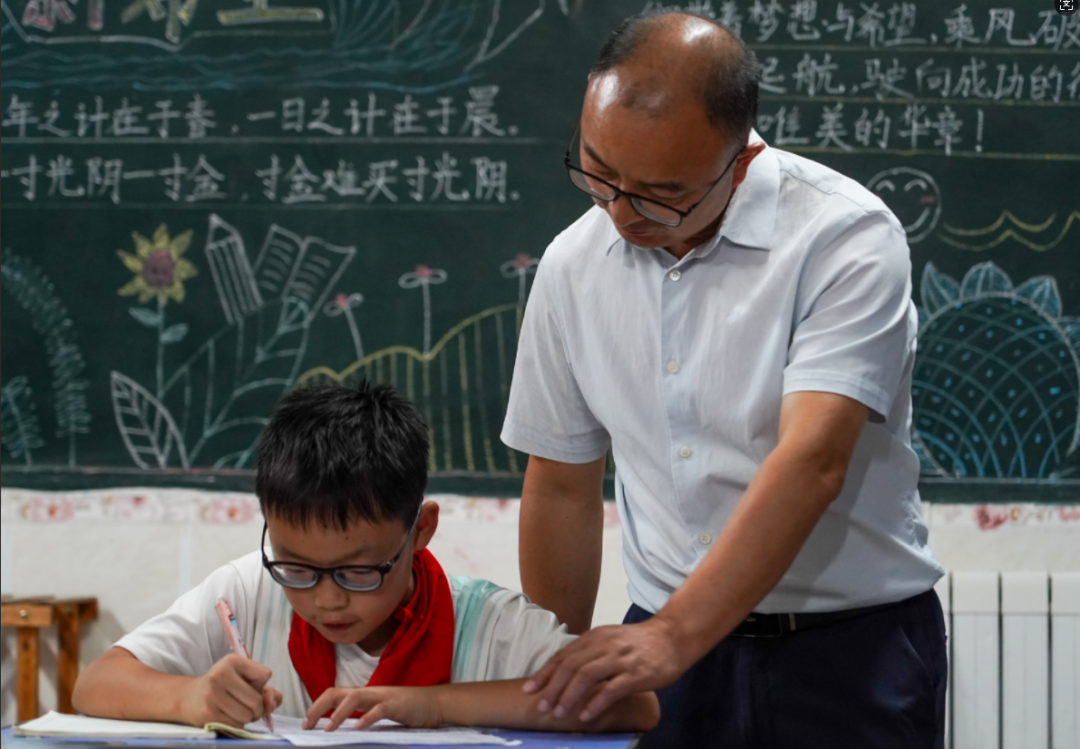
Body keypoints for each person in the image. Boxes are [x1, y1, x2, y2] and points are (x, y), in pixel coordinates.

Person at [501, 11, 947, 749]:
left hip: (847, 651)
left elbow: (812, 459)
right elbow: (560, 483)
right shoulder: (572, 264)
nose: (621, 214)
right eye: (598, 172)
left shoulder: (843, 238)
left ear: (740, 163)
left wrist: (677, 633)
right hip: (664, 653)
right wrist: (551, 677)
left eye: (660, 193)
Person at [72, 382, 659, 733]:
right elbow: (95, 684)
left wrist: (434, 706)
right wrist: (190, 697)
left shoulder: (492, 628)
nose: (326, 599)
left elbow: (635, 705)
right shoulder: (248, 594)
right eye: (297, 568)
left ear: (420, 529)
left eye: (358, 571)